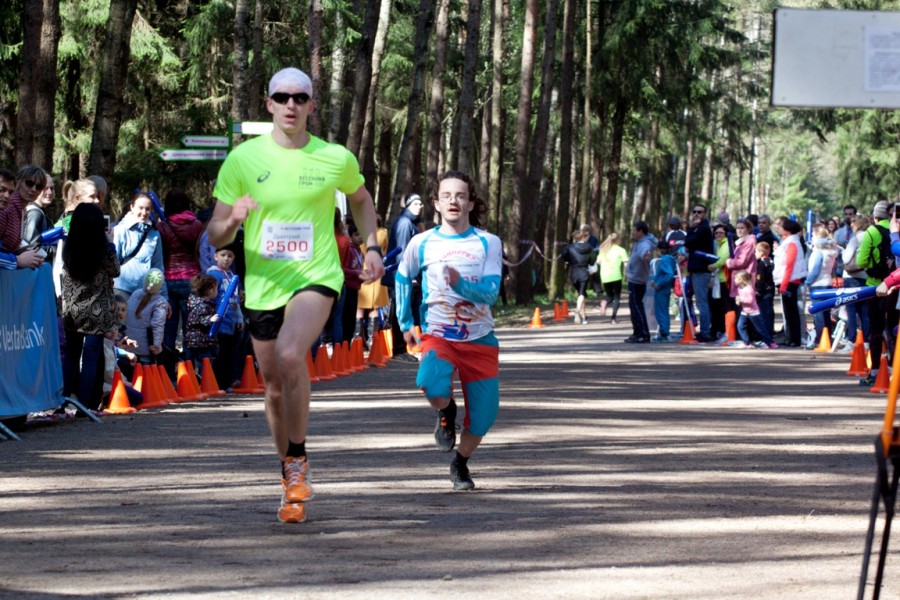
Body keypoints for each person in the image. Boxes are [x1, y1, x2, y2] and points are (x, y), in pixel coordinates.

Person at [206, 67, 383, 524]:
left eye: (299, 98)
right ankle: (289, 479)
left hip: (316, 275)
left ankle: (299, 457)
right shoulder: (243, 160)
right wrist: (234, 218)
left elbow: (361, 200)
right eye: (282, 97)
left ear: (311, 104)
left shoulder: (333, 158)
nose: (291, 105)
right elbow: (216, 232)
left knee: (290, 356)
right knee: (271, 387)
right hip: (264, 283)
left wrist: (373, 246)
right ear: (268, 104)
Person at [396, 170, 502, 491]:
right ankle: (446, 411)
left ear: (471, 203)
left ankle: (460, 463)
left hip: (480, 338)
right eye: (447, 196)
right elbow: (402, 278)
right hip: (439, 334)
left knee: (483, 419)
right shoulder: (422, 242)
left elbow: (492, 291)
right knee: (431, 385)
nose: (453, 201)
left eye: (460, 196)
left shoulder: (489, 242)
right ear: (436, 204)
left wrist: (462, 286)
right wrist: (405, 324)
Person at [60, 203, 120, 412]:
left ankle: (67, 398)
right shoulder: (103, 249)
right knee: (91, 355)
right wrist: (111, 244)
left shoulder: (68, 246)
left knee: (72, 353)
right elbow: (115, 271)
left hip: (72, 310)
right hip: (97, 310)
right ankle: (86, 404)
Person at [156, 188, 204, 361]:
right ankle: (190, 370)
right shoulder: (197, 225)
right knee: (190, 328)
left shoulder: (162, 226)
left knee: (168, 327)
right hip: (191, 279)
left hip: (168, 280)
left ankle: (168, 371)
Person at [857, 200, 897, 385]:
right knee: (894, 329)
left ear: (875, 215)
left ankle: (874, 371)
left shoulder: (872, 232)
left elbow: (861, 260)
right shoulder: (896, 231)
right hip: (896, 287)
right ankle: (893, 366)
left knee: (876, 330)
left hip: (875, 285)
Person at [384, 192, 425, 361]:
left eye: (421, 203)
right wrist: (409, 275)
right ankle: (399, 350)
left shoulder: (411, 223)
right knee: (400, 311)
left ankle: (405, 348)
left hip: (409, 275)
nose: (420, 206)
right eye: (416, 203)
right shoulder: (404, 223)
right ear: (407, 206)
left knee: (408, 310)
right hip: (402, 276)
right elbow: (402, 251)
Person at [113, 192, 166, 300]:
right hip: (121, 290)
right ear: (132, 207)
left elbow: (158, 268)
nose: (144, 212)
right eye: (140, 208)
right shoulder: (120, 231)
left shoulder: (154, 234)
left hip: (144, 292)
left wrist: (164, 297)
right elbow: (112, 263)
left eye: (147, 209)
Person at [207, 243, 245, 389]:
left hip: (232, 320)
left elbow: (235, 299)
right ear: (216, 256)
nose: (226, 259)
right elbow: (209, 298)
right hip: (219, 320)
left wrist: (240, 318)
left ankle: (229, 380)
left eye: (230, 256)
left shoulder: (232, 276)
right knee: (220, 353)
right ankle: (219, 384)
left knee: (230, 351)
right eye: (223, 255)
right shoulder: (213, 274)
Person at [355, 213, 389, 349]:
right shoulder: (383, 233)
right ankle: (372, 341)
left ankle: (357, 340)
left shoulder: (360, 233)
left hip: (361, 271)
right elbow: (385, 251)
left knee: (359, 307)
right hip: (376, 272)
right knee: (374, 307)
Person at [773, 218, 808, 347]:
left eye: (781, 227)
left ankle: (794, 339)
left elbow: (789, 265)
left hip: (789, 281)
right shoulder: (788, 242)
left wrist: (784, 284)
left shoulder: (792, 243)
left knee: (791, 312)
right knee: (788, 312)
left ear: (787, 230)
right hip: (788, 280)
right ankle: (790, 337)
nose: (779, 229)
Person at [804, 224, 839, 348]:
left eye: (813, 235)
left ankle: (820, 340)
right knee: (826, 314)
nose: (812, 237)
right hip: (827, 283)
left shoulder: (818, 252)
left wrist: (807, 282)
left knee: (818, 315)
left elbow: (815, 270)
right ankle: (827, 338)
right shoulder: (830, 252)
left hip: (818, 285)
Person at [684, 203, 715, 342]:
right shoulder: (699, 228)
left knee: (702, 303)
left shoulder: (702, 229)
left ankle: (705, 332)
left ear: (705, 214)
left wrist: (690, 229)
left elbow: (688, 242)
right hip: (696, 269)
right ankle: (705, 331)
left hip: (701, 270)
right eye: (694, 211)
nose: (696, 214)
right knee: (701, 302)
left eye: (700, 212)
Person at [125, 269, 169, 365]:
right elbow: (157, 325)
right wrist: (157, 345)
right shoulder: (160, 301)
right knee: (146, 373)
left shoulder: (135, 293)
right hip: (146, 347)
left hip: (130, 344)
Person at [0, 165, 46, 253]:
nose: (34, 189)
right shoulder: (6, 207)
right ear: (18, 182)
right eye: (29, 183)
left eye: (39, 187)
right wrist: (18, 260)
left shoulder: (22, 211)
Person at [841, 214, 871, 349]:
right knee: (864, 311)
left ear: (858, 225)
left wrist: (843, 252)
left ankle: (851, 340)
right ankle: (866, 340)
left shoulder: (854, 240)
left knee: (851, 310)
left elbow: (846, 259)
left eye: (853, 224)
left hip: (851, 277)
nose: (851, 227)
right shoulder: (870, 238)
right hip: (865, 277)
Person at [624, 220, 657, 343]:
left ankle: (643, 334)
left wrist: (646, 256)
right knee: (634, 307)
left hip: (638, 280)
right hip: (634, 279)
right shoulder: (640, 242)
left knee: (637, 307)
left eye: (634, 230)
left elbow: (645, 252)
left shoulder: (644, 244)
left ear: (640, 232)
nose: (632, 232)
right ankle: (637, 332)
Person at [184, 273, 220, 373]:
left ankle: (201, 381)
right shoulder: (202, 305)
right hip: (199, 341)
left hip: (200, 341)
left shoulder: (202, 303)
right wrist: (209, 319)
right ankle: (203, 383)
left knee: (205, 362)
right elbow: (193, 319)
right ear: (211, 290)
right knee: (205, 364)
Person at [558, 227, 596, 324]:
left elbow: (563, 254)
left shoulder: (569, 247)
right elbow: (592, 261)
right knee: (582, 294)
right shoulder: (589, 247)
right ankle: (577, 310)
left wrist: (568, 261)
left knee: (581, 294)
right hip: (584, 271)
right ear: (584, 237)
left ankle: (584, 318)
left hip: (573, 272)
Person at [734, 270, 777, 349]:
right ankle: (747, 343)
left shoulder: (749, 289)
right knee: (740, 326)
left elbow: (750, 300)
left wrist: (741, 300)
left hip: (753, 312)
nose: (735, 280)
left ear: (742, 280)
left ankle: (770, 343)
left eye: (736, 278)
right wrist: (738, 301)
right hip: (744, 311)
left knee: (760, 329)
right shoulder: (740, 288)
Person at [21, 171, 55, 259]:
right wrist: (56, 249)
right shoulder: (35, 213)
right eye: (45, 188)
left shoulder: (40, 212)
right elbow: (31, 245)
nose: (49, 192)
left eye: (52, 188)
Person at [597, 233, 628, 323]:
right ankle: (613, 318)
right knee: (617, 297)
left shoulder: (603, 249)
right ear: (618, 240)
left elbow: (598, 262)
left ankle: (605, 303)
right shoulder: (621, 250)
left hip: (605, 276)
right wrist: (629, 274)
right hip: (616, 276)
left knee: (610, 295)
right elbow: (626, 264)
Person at [649, 239, 676, 342]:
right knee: (663, 311)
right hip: (664, 288)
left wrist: (658, 284)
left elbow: (669, 274)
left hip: (662, 289)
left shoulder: (665, 259)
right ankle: (664, 332)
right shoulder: (670, 259)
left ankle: (664, 333)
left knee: (660, 311)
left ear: (659, 250)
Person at [754, 242, 776, 341]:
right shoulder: (771, 261)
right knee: (769, 313)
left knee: (764, 314)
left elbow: (760, 278)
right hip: (771, 289)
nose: (755, 254)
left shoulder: (761, 264)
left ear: (761, 252)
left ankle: (765, 337)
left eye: (756, 252)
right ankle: (769, 334)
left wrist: (758, 290)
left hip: (763, 291)